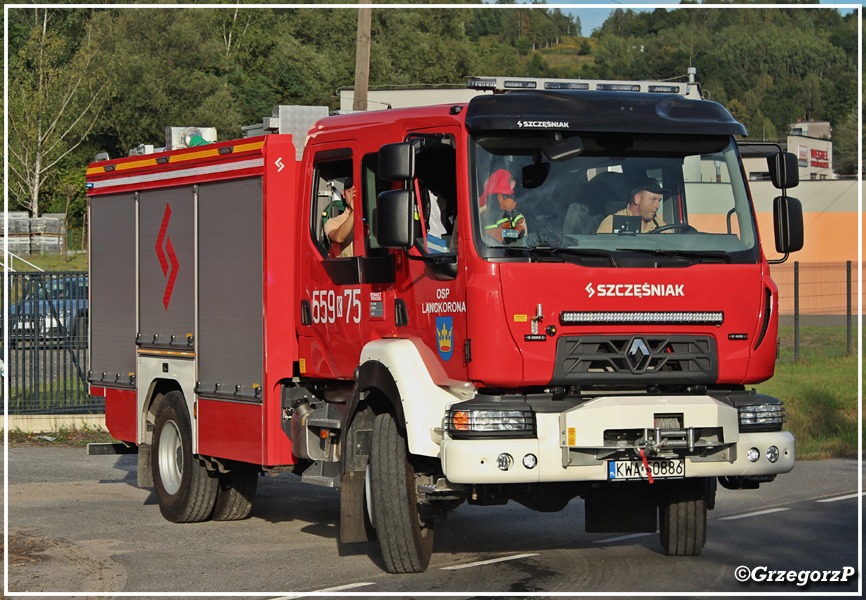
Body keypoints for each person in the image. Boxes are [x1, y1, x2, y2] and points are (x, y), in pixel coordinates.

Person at [596, 177, 667, 234]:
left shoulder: (660, 226)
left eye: (659, 201)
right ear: (637, 199)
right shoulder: (612, 223)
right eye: (653, 199)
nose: (657, 206)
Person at [479, 169, 527, 245]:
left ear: (512, 184)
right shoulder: (471, 209)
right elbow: (459, 245)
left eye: (501, 181)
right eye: (492, 180)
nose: (496, 185)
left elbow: (520, 244)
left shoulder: (517, 216)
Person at [324, 176, 356, 257]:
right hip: (345, 268)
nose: (353, 196)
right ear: (343, 194)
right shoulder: (333, 222)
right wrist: (354, 212)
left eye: (355, 193)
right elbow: (338, 238)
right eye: (349, 191)